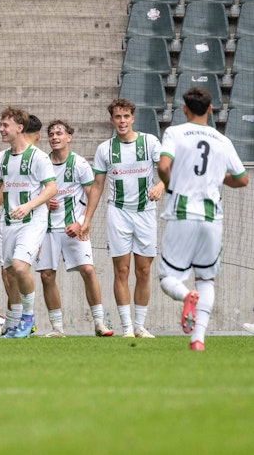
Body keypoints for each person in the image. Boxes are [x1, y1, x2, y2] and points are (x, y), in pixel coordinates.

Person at [157, 87, 248, 350]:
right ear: (211, 109)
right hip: (211, 217)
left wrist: (171, 185)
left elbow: (163, 166)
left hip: (182, 212)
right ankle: (198, 339)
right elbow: (243, 179)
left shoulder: (175, 132)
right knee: (206, 278)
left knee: (168, 279)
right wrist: (219, 177)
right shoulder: (222, 140)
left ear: (184, 109)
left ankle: (187, 296)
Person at [0, 107, 56, 339]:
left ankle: (28, 317)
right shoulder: (2, 157)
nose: (1, 129)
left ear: (19, 127)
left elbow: (51, 189)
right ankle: (15, 323)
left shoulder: (38, 157)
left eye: (5, 125)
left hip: (32, 221)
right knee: (10, 272)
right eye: (1, 124)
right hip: (8, 222)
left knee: (19, 266)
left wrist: (29, 205)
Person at [82, 98, 164, 338]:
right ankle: (127, 328)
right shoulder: (104, 149)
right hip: (118, 213)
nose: (122, 121)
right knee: (121, 270)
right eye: (117, 117)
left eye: (126, 116)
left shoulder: (149, 142)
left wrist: (161, 185)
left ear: (133, 118)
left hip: (145, 213)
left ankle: (140, 326)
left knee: (144, 271)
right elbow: (97, 186)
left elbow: (170, 170)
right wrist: (87, 219)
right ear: (111, 120)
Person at [35, 119, 113, 337]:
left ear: (69, 137)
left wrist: (82, 222)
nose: (55, 137)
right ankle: (57, 328)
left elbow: (92, 196)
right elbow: (33, 193)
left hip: (74, 227)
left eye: (59, 133)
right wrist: (43, 201)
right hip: (47, 229)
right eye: (51, 134)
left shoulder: (79, 164)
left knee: (88, 270)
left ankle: (99, 323)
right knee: (46, 276)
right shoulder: (42, 163)